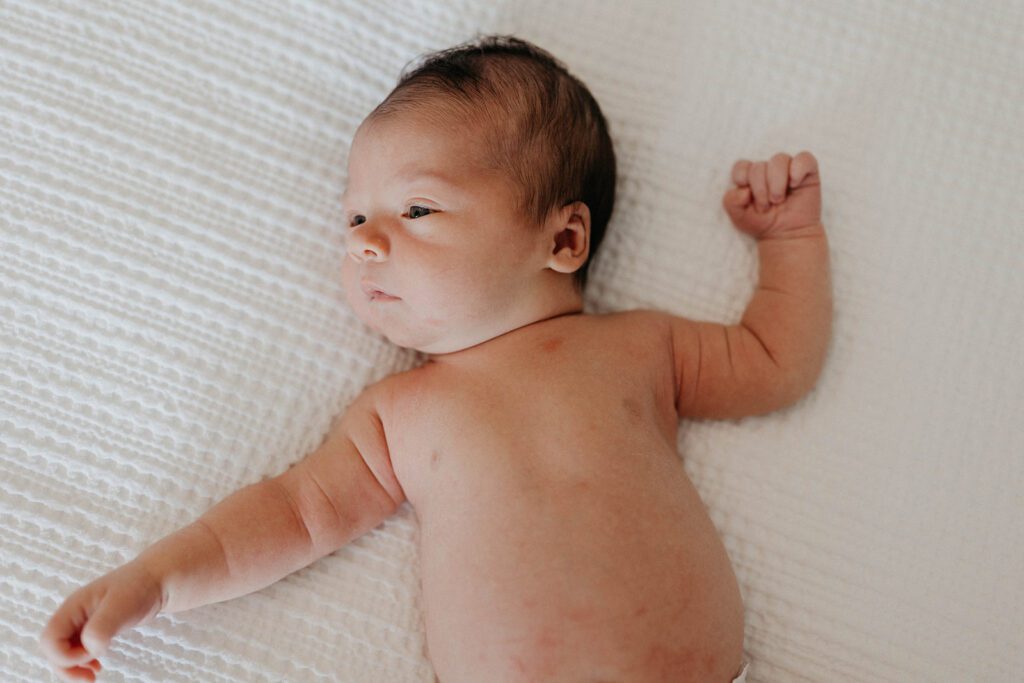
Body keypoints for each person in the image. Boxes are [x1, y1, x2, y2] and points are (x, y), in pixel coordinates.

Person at [40, 34, 831, 682]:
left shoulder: (639, 347)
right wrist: (154, 582)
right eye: (355, 217)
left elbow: (772, 361)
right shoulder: (398, 414)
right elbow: (293, 514)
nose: (363, 240)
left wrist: (791, 241)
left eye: (416, 208)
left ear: (563, 240)